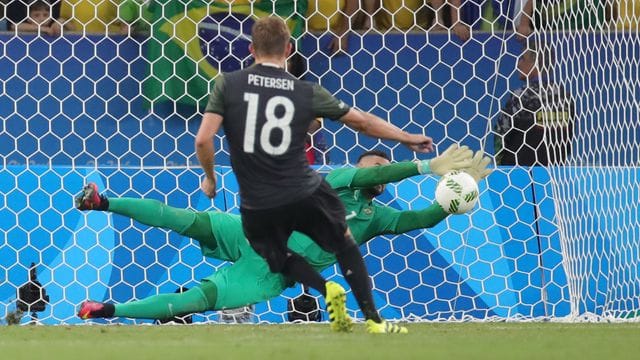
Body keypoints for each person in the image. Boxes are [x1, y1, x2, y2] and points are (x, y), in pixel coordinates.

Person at [196, 15, 434, 334]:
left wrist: (210, 178)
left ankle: (324, 288)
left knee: (275, 255)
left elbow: (203, 139)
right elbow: (362, 122)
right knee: (344, 243)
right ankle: (374, 321)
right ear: (289, 49)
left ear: (251, 49)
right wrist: (407, 137)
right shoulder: (306, 91)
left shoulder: (228, 84)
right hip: (303, 189)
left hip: (258, 198)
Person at [76, 146, 492, 328]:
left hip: (271, 270)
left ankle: (107, 309)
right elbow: (377, 172)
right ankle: (102, 202)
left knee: (199, 299)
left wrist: (450, 203)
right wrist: (423, 167)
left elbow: (417, 220)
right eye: (371, 166)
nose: (375, 173)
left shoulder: (376, 216)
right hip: (255, 230)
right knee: (185, 219)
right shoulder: (340, 179)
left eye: (380, 170)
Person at [493, 45, 574, 166]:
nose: (518, 64)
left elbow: (501, 134)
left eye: (523, 59)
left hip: (517, 172)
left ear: (535, 64)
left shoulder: (522, 96)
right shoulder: (566, 97)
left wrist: (499, 165)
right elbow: (567, 139)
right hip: (553, 171)